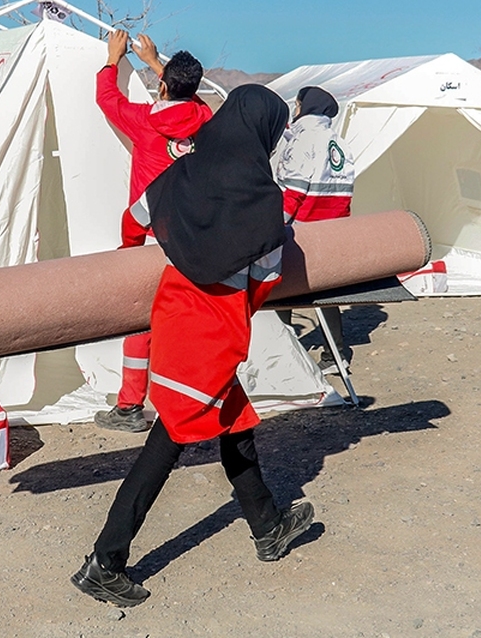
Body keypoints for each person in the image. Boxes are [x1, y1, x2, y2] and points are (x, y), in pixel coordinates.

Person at [72, 85, 315, 608]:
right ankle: (105, 562)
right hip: (214, 332)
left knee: (234, 421)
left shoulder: (180, 173)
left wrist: (130, 258)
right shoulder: (264, 202)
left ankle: (268, 526)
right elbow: (264, 282)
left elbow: (135, 216)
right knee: (170, 437)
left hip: (174, 312)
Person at [92, 31, 212, 433]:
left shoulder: (145, 122)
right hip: (195, 237)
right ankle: (194, 400)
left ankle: (130, 406)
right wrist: (158, 64)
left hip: (148, 238)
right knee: (190, 319)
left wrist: (113, 59)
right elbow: (193, 102)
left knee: (141, 321)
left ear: (162, 88)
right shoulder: (204, 121)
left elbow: (107, 99)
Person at [276, 86, 355, 366]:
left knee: (281, 291)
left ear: (306, 107)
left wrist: (275, 227)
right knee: (325, 293)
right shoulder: (338, 142)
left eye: (297, 105)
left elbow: (294, 191)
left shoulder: (304, 140)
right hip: (333, 229)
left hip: (302, 229)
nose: (295, 110)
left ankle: (282, 355)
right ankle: (336, 355)